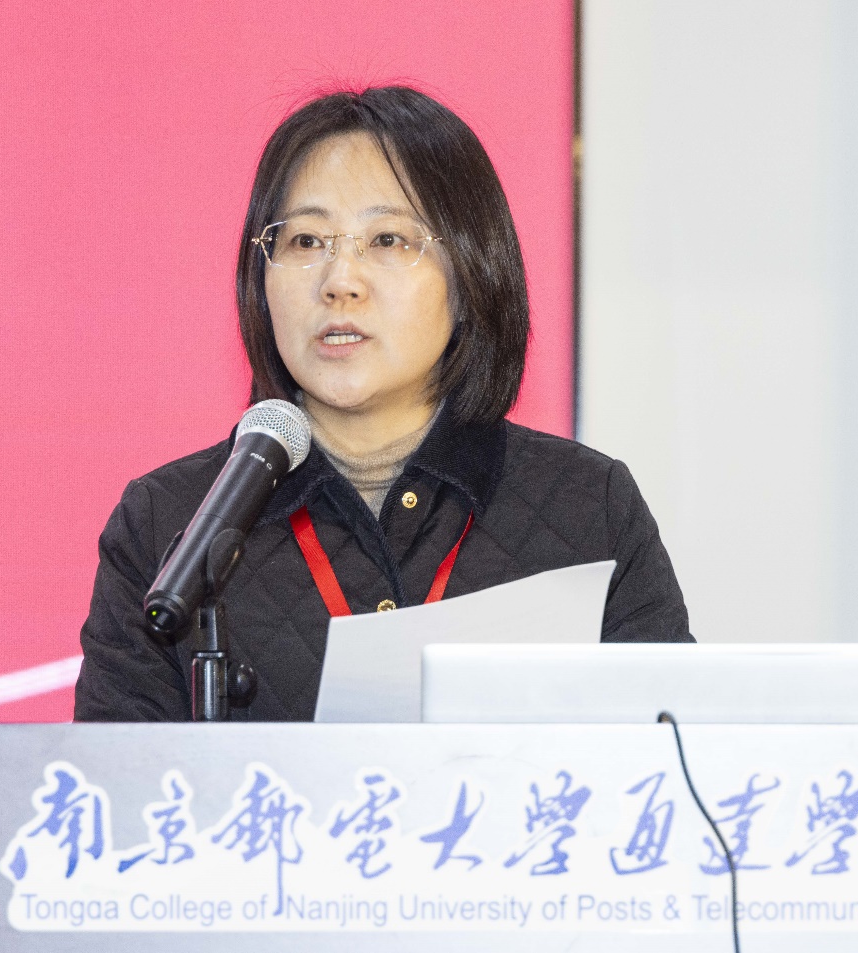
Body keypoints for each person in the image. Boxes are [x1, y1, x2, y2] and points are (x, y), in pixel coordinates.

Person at [74, 86, 691, 723]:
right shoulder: (167, 524)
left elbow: (678, 761)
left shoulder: (588, 507)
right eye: (305, 241)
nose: (340, 281)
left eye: (388, 240)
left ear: (471, 273)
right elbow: (113, 779)